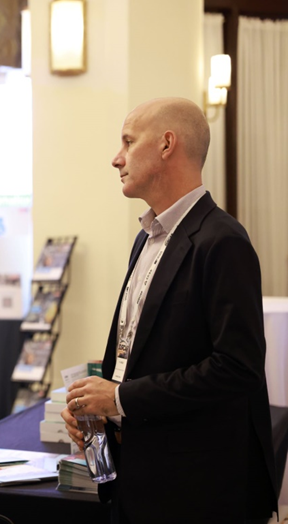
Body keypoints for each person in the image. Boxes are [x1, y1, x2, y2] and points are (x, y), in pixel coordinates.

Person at [60, 97, 277, 524]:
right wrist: (103, 412)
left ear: (166, 144)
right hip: (139, 474)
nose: (116, 158)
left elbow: (238, 368)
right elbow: (140, 355)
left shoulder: (223, 240)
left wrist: (118, 398)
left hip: (196, 489)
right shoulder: (146, 237)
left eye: (128, 141)